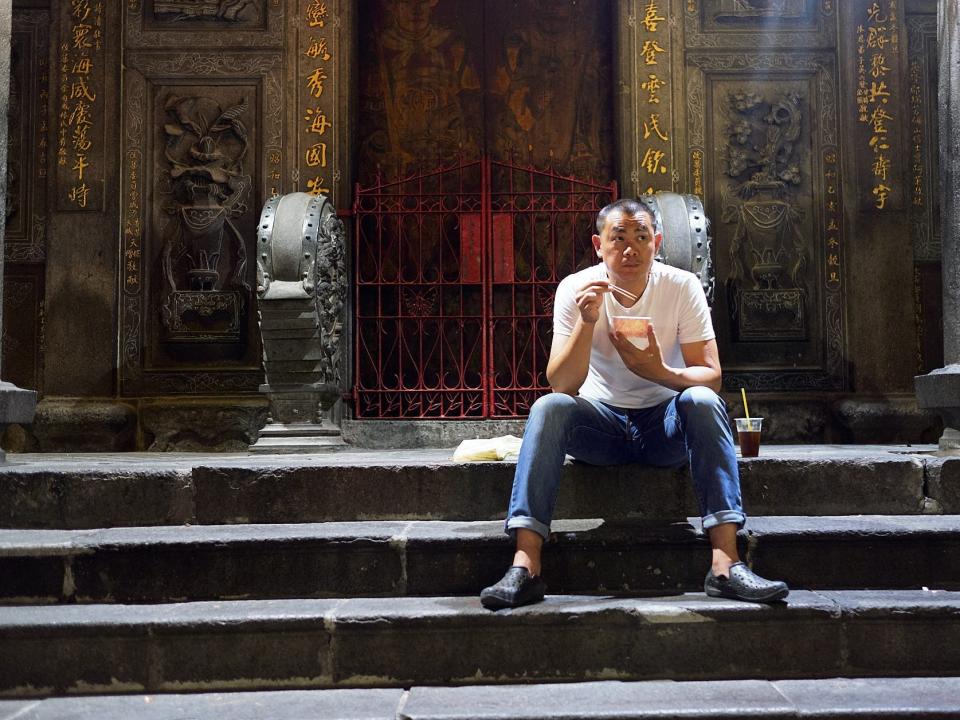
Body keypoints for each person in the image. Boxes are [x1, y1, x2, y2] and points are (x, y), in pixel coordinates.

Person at [480, 197, 788, 609]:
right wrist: (588, 323)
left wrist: (659, 371)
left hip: (664, 428)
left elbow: (711, 376)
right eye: (619, 237)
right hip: (601, 428)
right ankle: (526, 565)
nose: (630, 248)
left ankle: (726, 564)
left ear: (656, 242)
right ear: (598, 244)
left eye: (641, 237)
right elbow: (561, 384)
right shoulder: (576, 288)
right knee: (547, 409)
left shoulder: (681, 286)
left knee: (700, 399)